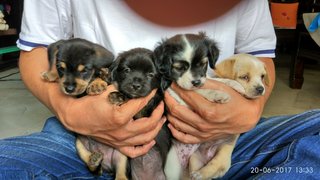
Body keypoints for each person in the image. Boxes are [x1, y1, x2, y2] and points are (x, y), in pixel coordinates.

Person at [0, 0, 319, 179]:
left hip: (214, 138)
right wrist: (71, 110)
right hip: (91, 137)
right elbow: (36, 49)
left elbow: (260, 55)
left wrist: (249, 110)